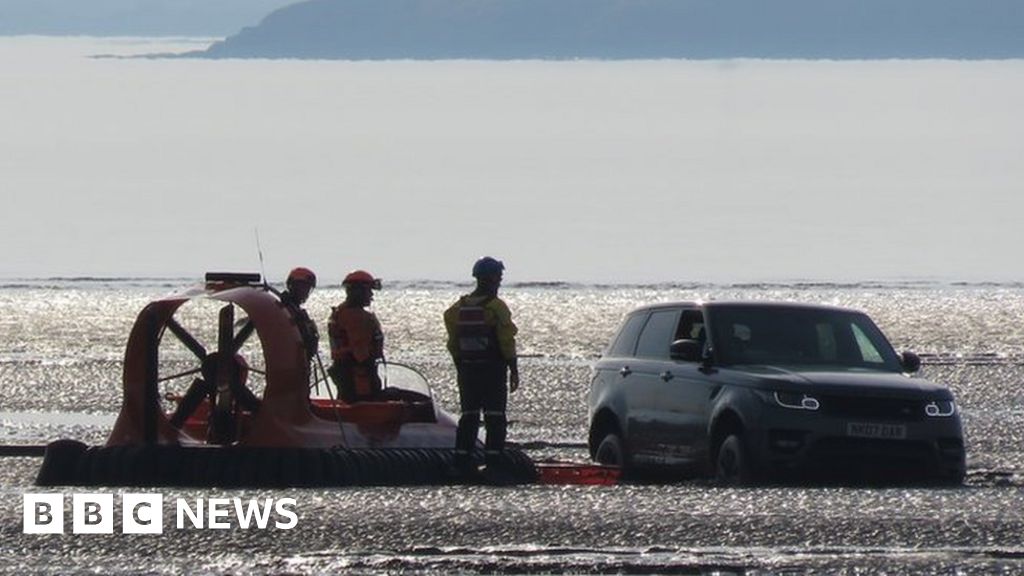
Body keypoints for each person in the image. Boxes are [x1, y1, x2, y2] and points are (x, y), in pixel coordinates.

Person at [444, 256, 520, 475]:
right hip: (493, 371)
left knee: (468, 416)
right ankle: (494, 463)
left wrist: (461, 366)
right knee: (495, 417)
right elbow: (506, 340)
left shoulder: (457, 308)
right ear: (491, 279)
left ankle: (461, 462)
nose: (499, 282)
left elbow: (453, 343)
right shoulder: (497, 308)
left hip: (468, 370)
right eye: (498, 278)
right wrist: (513, 369)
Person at [327, 270, 384, 403]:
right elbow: (361, 354)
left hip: (346, 373)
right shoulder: (357, 318)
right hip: (358, 377)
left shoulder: (341, 312)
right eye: (368, 291)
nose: (371, 295)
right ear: (358, 292)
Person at [280, 267, 320, 361]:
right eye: (301, 287)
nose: (304, 291)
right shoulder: (284, 310)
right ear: (291, 286)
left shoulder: (298, 312)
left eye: (307, 288)